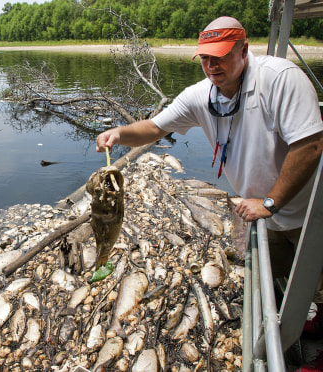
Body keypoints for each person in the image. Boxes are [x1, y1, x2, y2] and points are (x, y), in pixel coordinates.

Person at [96, 15, 323, 326]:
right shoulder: (200, 95)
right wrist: (119, 134)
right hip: (256, 210)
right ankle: (286, 323)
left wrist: (271, 202)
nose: (212, 65)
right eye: (205, 57)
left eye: (221, 55)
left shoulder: (281, 79)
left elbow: (310, 146)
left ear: (244, 50)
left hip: (306, 210)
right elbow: (154, 128)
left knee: (317, 283)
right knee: (272, 276)